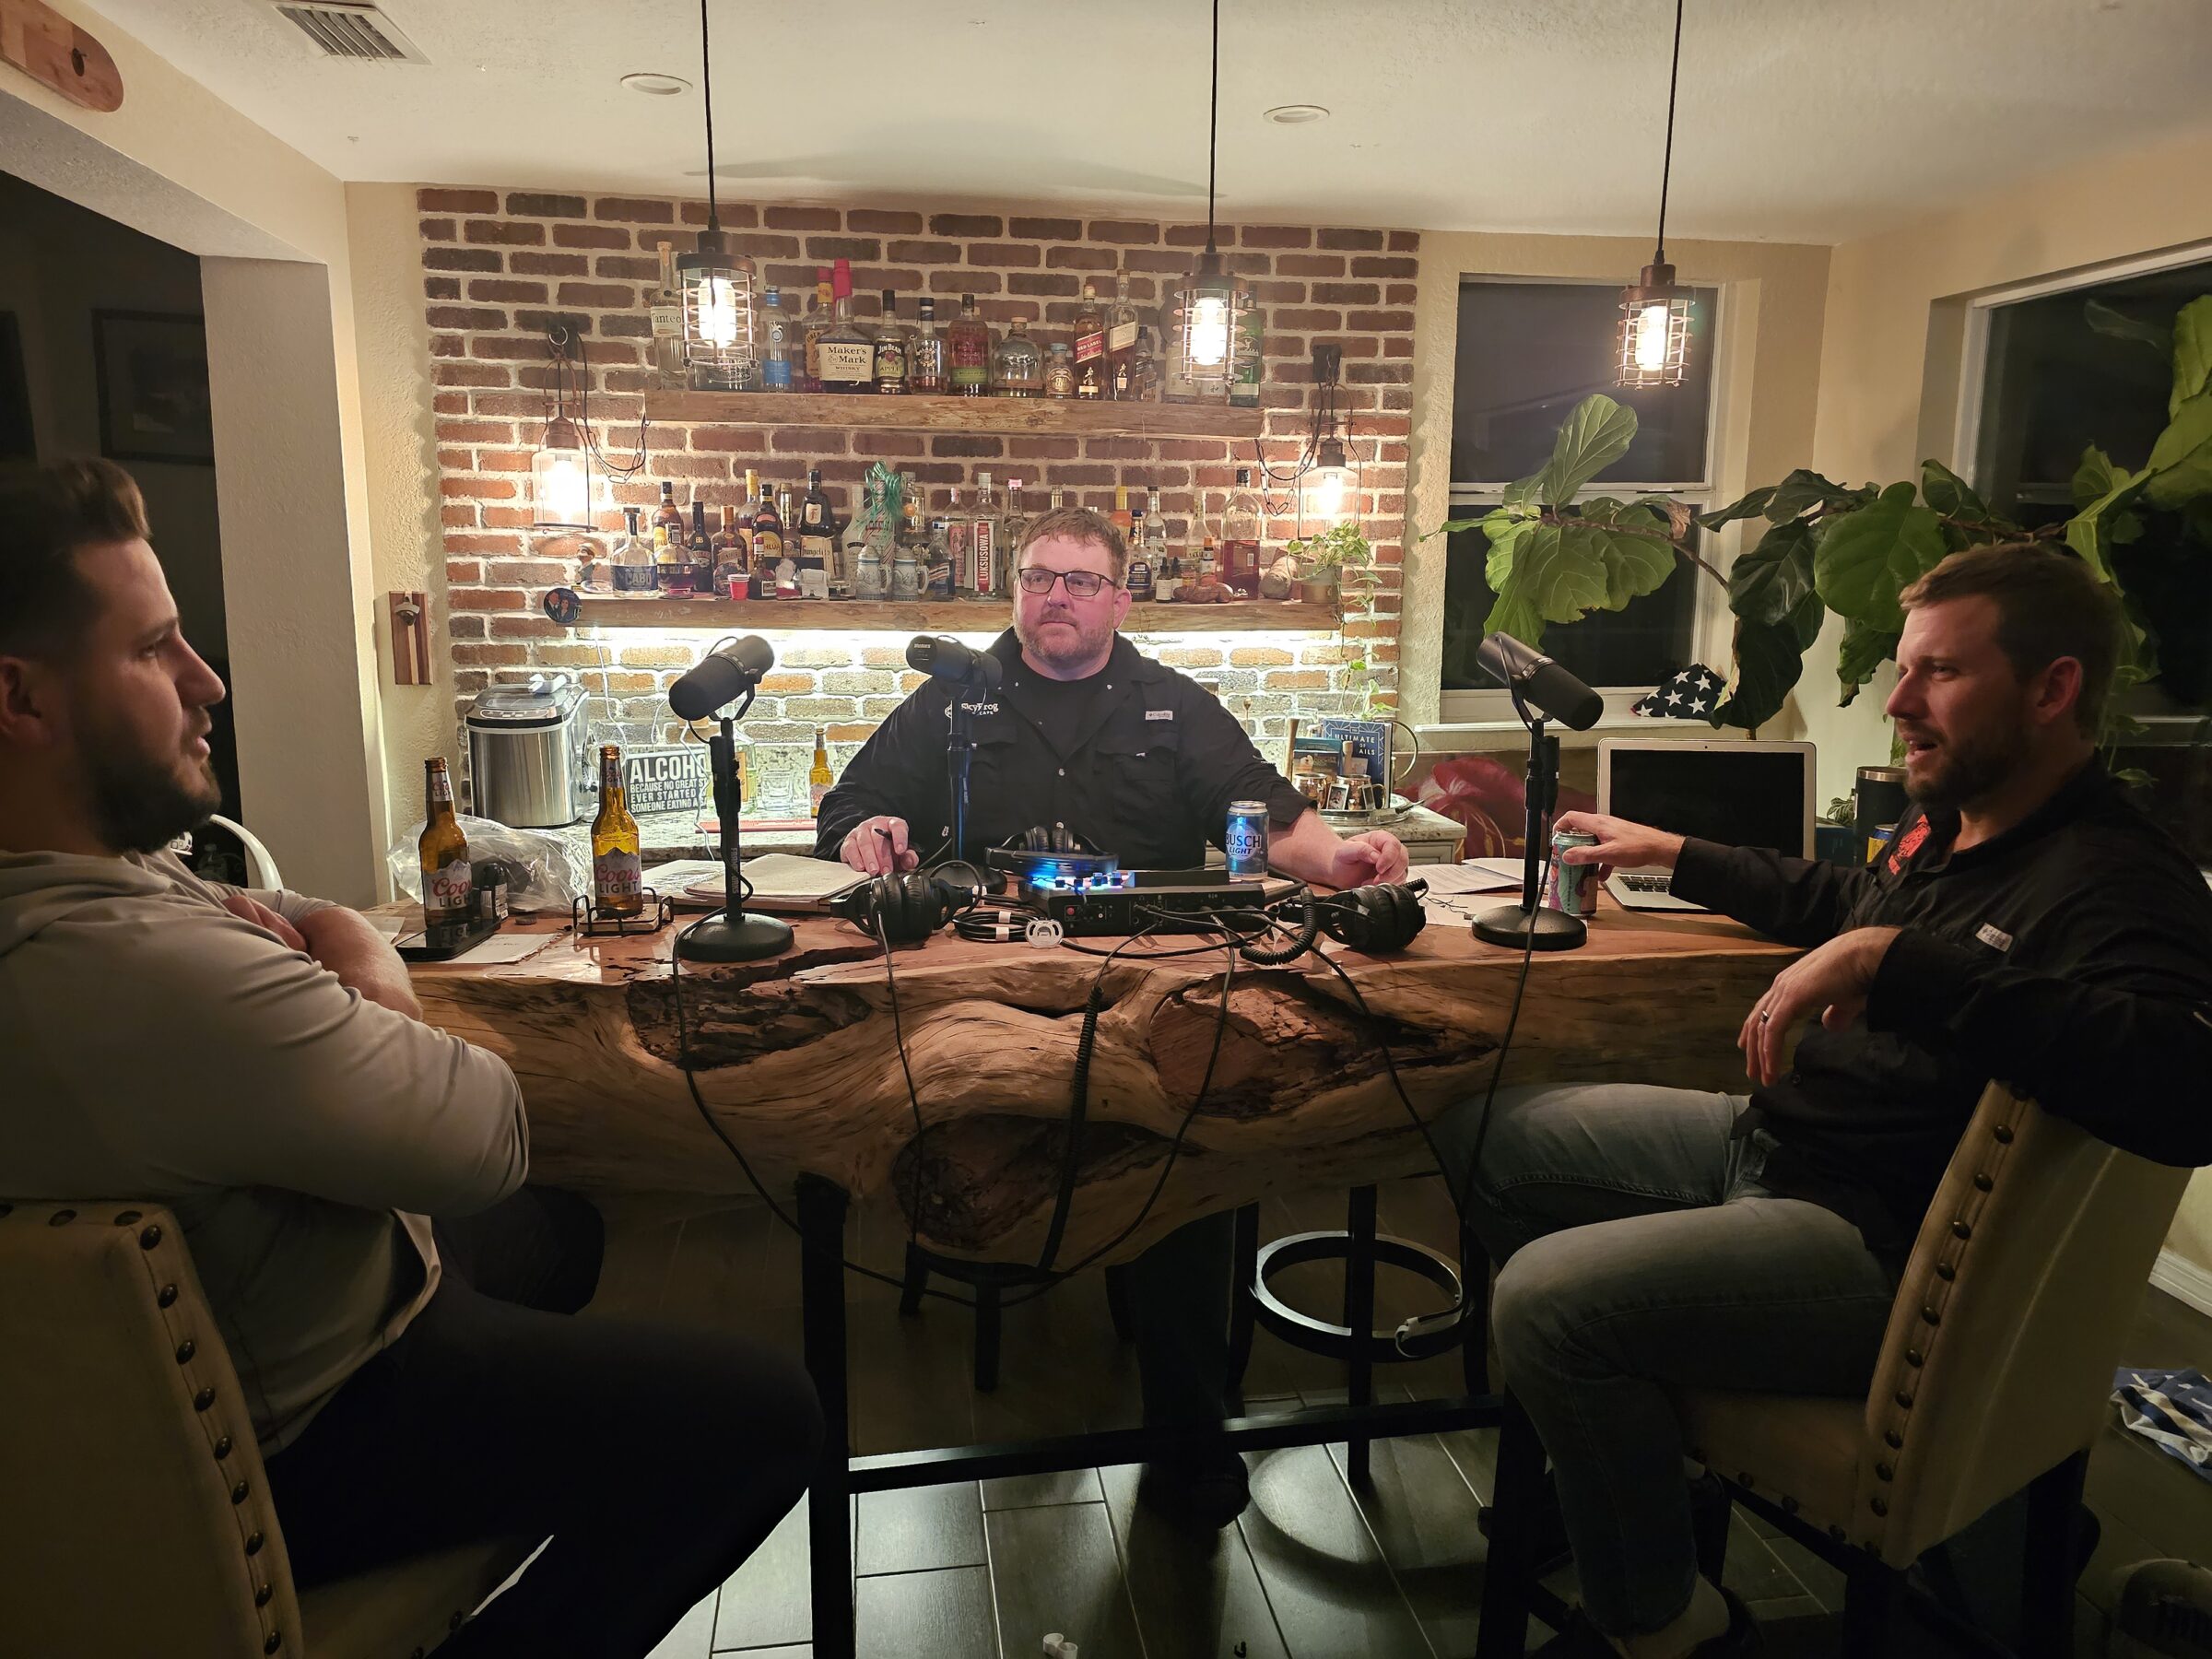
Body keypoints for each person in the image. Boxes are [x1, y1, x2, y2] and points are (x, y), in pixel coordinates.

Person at [0, 459, 821, 1659]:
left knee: (565, 1229)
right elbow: (480, 1130)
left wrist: (322, 940)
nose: (207, 680)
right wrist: (368, 972)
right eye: (154, 650)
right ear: (19, 700)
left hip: (261, 1337)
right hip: (305, 1428)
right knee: (765, 1418)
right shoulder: (128, 976)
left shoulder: (97, 882)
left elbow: (277, 918)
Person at [1432, 544, 2212, 1659]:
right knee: (1486, 1138)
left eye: (1938, 674)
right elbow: (1844, 894)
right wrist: (1676, 852)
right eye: (1903, 670)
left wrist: (1899, 964)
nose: (1897, 702)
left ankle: (1665, 1621)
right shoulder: (1969, 825)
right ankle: (1635, 1462)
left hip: (1875, 1245)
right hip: (1776, 1150)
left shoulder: (2118, 880)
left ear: (2053, 690)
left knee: (1549, 1306)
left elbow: (2186, 1091)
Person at [817, 503, 1409, 1524]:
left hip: (1149, 996)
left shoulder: (1173, 704)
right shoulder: (953, 700)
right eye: (1040, 576)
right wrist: (868, 829)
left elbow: (1259, 807)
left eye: (1080, 581)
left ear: (1119, 599)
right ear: (1015, 590)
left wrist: (1341, 862)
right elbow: (849, 807)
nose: (1056, 595)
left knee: (1198, 1142)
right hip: (985, 1003)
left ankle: (1189, 1442)